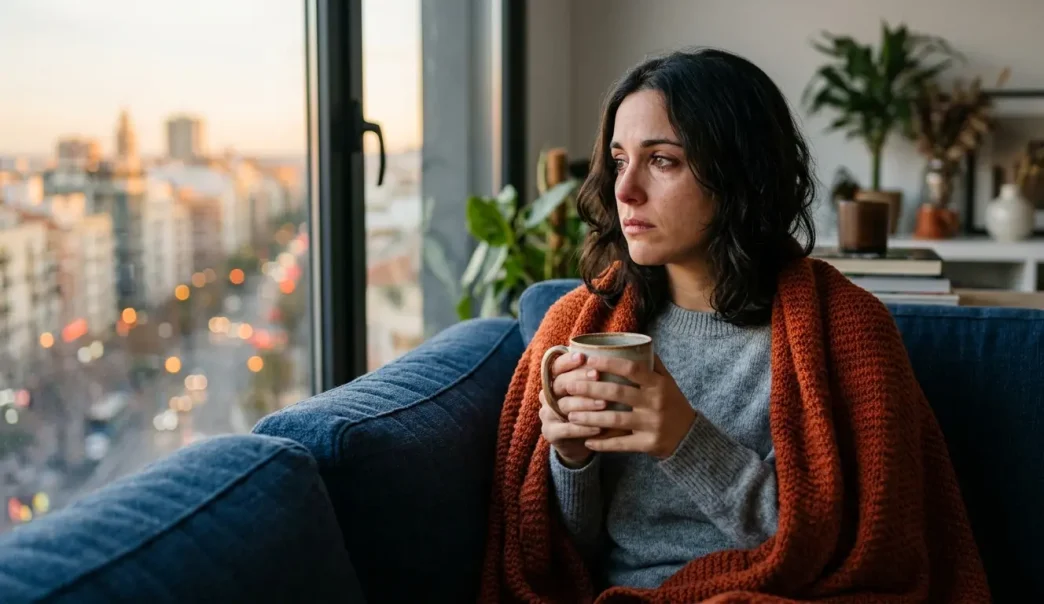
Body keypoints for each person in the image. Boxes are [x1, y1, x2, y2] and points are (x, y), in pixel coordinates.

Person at [479, 48, 988, 602]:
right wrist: (572, 460)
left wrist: (683, 439)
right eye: (621, 160)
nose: (625, 191)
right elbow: (567, 557)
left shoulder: (846, 330)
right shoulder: (579, 322)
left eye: (663, 160)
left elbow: (850, 548)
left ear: (739, 171)